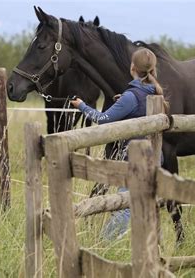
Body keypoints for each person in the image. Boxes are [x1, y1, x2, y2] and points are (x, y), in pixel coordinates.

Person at [71, 47, 167, 240]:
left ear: (132, 67)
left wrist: (81, 105)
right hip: (155, 157)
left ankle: (104, 243)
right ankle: (156, 244)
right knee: (147, 203)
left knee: (125, 205)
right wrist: (123, 102)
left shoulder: (131, 96)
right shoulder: (155, 93)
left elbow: (103, 118)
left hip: (136, 159)